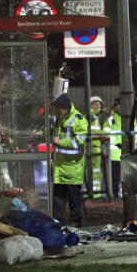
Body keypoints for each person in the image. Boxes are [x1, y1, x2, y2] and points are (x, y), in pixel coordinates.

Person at [51, 93, 88, 227]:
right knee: (58, 197)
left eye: (58, 109)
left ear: (65, 108)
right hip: (60, 165)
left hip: (73, 166)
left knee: (74, 198)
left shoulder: (78, 119)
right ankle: (57, 223)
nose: (56, 111)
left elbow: (79, 142)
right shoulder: (58, 118)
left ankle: (76, 223)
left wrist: (59, 142)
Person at [104, 98, 124, 200]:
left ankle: (125, 196)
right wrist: (116, 143)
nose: (120, 108)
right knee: (115, 178)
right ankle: (115, 196)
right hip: (114, 154)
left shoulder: (130, 119)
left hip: (127, 154)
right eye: (118, 106)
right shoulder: (110, 120)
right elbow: (106, 135)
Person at [88, 96, 105, 197]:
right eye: (97, 104)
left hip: (97, 147)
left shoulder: (96, 118)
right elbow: (93, 116)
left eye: (100, 105)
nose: (98, 106)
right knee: (92, 171)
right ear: (91, 105)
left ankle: (96, 194)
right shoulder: (90, 114)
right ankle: (92, 194)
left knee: (97, 171)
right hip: (91, 147)